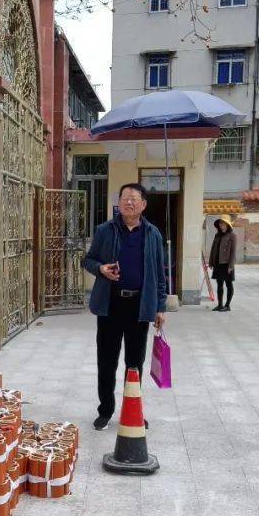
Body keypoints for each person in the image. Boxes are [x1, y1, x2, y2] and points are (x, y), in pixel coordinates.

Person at [82, 183, 167, 431]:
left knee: (134, 363)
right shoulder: (104, 231)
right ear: (118, 202)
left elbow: (159, 274)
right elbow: (88, 260)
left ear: (143, 205)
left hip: (139, 307)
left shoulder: (153, 234)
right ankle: (105, 411)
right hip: (111, 305)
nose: (129, 202)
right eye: (124, 198)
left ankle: (133, 411)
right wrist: (100, 269)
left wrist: (160, 307)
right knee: (106, 361)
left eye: (134, 199)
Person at [208, 215, 237, 312]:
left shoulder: (232, 236)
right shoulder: (217, 235)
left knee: (229, 284)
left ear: (228, 224)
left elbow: (233, 252)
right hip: (218, 264)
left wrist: (231, 266)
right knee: (219, 284)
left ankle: (227, 305)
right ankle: (220, 305)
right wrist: (211, 262)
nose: (221, 225)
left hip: (227, 264)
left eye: (223, 223)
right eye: (220, 223)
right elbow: (213, 249)